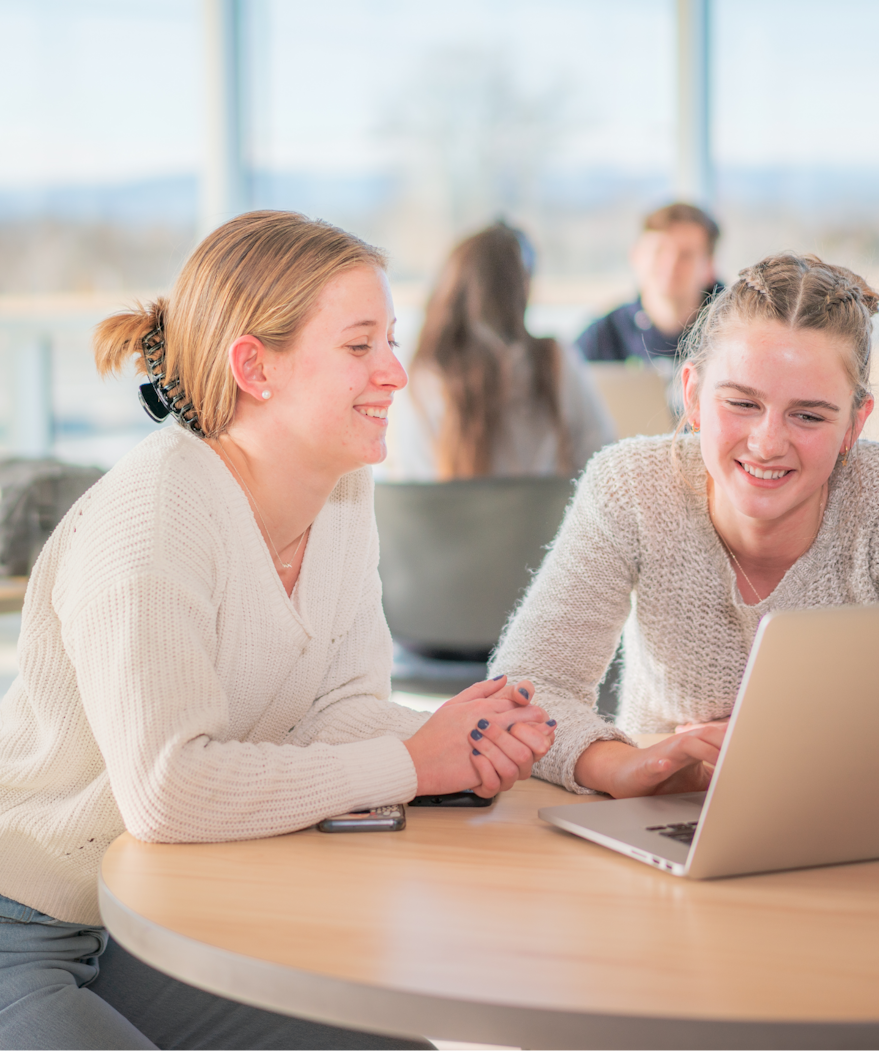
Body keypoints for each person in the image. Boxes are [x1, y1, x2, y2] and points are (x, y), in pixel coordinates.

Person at [0, 211, 555, 1050]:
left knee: (386, 1042)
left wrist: (495, 744)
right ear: (255, 367)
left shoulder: (340, 491)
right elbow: (169, 789)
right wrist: (415, 759)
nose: (396, 372)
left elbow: (343, 708)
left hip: (154, 912)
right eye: (360, 345)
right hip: (26, 927)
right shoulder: (153, 519)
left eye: (392, 341)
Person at [491, 252, 879, 800]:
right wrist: (621, 766)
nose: (767, 443)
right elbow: (527, 689)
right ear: (691, 395)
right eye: (741, 402)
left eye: (808, 415)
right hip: (666, 813)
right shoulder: (632, 487)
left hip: (854, 812)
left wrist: (797, 750)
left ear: (854, 424)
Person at [385, 222, 614, 480]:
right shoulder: (554, 359)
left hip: (446, 519)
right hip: (551, 519)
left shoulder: (419, 366)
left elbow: (415, 479)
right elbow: (601, 458)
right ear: (521, 288)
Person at [575, 202, 720, 365]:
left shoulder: (735, 328)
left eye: (686, 255)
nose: (671, 264)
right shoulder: (602, 338)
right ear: (635, 255)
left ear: (709, 267)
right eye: (659, 251)